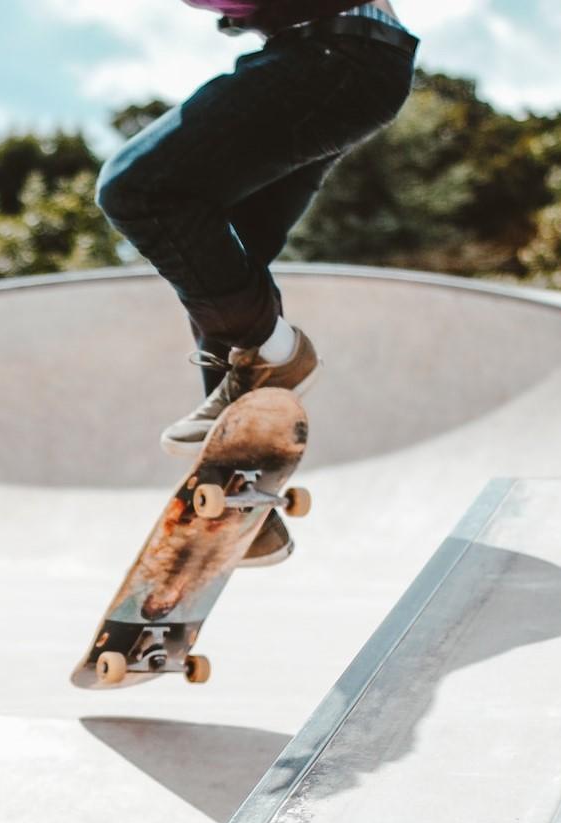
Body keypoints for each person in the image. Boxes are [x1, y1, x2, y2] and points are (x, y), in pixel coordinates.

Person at [94, 0, 418, 563]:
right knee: (225, 250)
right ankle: (245, 498)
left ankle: (273, 352)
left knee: (137, 189)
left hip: (333, 57)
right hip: (338, 58)